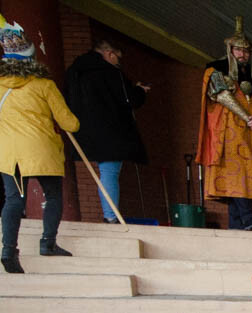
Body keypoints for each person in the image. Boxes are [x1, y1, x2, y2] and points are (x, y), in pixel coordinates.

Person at [0, 15, 80, 273]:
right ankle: (48, 243)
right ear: (31, 58)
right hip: (41, 151)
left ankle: (8, 250)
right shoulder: (44, 85)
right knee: (54, 195)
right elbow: (69, 123)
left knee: (13, 201)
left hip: (8, 154)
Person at [196, 16, 252, 230]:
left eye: (246, 51)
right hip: (227, 131)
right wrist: (246, 117)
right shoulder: (217, 69)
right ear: (230, 49)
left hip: (251, 132)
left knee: (246, 173)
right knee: (236, 173)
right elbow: (221, 96)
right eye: (239, 50)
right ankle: (246, 218)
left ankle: (238, 224)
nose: (243, 55)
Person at [65, 39, 148, 224]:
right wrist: (140, 91)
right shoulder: (111, 72)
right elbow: (129, 100)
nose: (119, 61)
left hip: (83, 130)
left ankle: (110, 214)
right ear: (110, 54)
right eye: (118, 57)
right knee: (110, 172)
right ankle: (111, 216)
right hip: (111, 130)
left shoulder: (74, 71)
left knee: (106, 172)